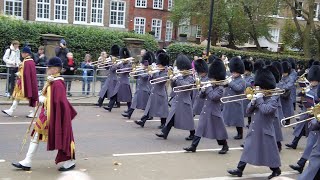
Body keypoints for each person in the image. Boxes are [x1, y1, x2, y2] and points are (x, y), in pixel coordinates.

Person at [12, 57, 77, 172]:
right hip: (46, 114)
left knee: (60, 136)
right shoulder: (52, 80)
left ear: (56, 69)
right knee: (36, 135)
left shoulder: (58, 83)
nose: (47, 69)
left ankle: (70, 160)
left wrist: (44, 100)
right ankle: (27, 160)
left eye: (49, 67)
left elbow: (59, 101)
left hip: (52, 115)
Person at [227, 66, 282, 179]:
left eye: (260, 87)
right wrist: (252, 102)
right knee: (247, 148)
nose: (258, 89)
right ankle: (239, 169)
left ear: (266, 87)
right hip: (254, 128)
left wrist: (259, 99)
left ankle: (276, 170)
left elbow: (266, 110)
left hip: (265, 130)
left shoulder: (273, 99)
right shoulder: (258, 97)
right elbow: (247, 111)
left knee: (269, 152)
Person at [183, 59, 229, 154]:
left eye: (212, 79)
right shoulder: (210, 86)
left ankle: (225, 145)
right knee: (199, 129)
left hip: (214, 113)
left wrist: (207, 88)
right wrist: (202, 91)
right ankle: (193, 146)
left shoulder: (220, 89)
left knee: (218, 131)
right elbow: (201, 96)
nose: (210, 80)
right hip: (205, 110)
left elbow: (214, 97)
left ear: (216, 78)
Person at [155, 54, 195, 140]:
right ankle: (164, 132)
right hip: (177, 100)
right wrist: (173, 79)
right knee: (171, 117)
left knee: (188, 120)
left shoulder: (190, 77)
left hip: (185, 101)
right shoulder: (179, 76)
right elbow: (174, 87)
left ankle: (193, 133)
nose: (180, 70)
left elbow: (185, 86)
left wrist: (178, 78)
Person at [286, 65, 320, 151]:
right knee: (300, 127)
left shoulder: (318, 88)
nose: (312, 82)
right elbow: (301, 97)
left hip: (314, 113)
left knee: (311, 131)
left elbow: (316, 98)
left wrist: (309, 92)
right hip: (306, 110)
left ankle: (309, 148)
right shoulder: (310, 86)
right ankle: (294, 143)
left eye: (314, 81)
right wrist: (303, 91)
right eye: (311, 80)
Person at [134, 53, 170, 129]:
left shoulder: (166, 72)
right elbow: (150, 80)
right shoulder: (158, 70)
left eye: (159, 64)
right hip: (154, 92)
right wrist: (151, 74)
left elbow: (159, 81)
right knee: (149, 108)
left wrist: (154, 73)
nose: (157, 66)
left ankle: (163, 124)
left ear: (162, 64)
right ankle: (142, 121)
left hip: (160, 93)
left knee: (162, 110)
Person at [2, 46, 38, 117]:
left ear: (26, 54)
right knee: (18, 96)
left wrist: (20, 74)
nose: (22, 54)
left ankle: (34, 112)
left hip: (24, 82)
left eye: (23, 53)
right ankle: (11, 110)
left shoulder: (28, 62)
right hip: (22, 81)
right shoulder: (27, 61)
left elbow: (26, 73)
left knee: (30, 96)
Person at [121, 51, 154, 119]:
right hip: (139, 89)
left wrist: (140, 71)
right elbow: (136, 77)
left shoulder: (148, 70)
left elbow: (144, 76)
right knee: (134, 102)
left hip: (145, 90)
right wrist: (135, 73)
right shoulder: (142, 69)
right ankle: (129, 114)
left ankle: (150, 115)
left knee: (147, 105)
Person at [222, 57, 246, 140]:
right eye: (233, 72)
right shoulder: (231, 78)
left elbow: (238, 88)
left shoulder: (242, 80)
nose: (233, 73)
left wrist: (230, 82)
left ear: (239, 72)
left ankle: (240, 134)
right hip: (229, 101)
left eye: (235, 72)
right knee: (225, 117)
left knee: (238, 120)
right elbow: (225, 86)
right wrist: (225, 83)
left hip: (236, 102)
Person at [103, 47, 132, 112]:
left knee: (128, 98)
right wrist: (115, 64)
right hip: (120, 82)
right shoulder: (121, 63)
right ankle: (109, 107)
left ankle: (130, 109)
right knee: (114, 95)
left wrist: (122, 64)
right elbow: (114, 69)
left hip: (125, 82)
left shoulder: (129, 63)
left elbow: (125, 71)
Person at [271, 61, 285, 152]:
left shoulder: (279, 84)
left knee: (276, 127)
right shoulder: (271, 83)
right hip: (270, 106)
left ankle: (278, 144)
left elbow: (275, 96)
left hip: (276, 107)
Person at [279, 61, 294, 127]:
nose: (283, 74)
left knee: (287, 108)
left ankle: (288, 120)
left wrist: (281, 85)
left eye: (285, 72)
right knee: (281, 108)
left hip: (287, 95)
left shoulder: (290, 78)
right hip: (281, 95)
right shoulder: (281, 78)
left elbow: (288, 86)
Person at [243, 59, 254, 127]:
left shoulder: (252, 77)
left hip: (250, 95)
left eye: (245, 70)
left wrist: (242, 81)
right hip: (244, 95)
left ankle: (250, 123)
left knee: (250, 110)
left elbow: (251, 85)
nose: (244, 72)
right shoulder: (244, 76)